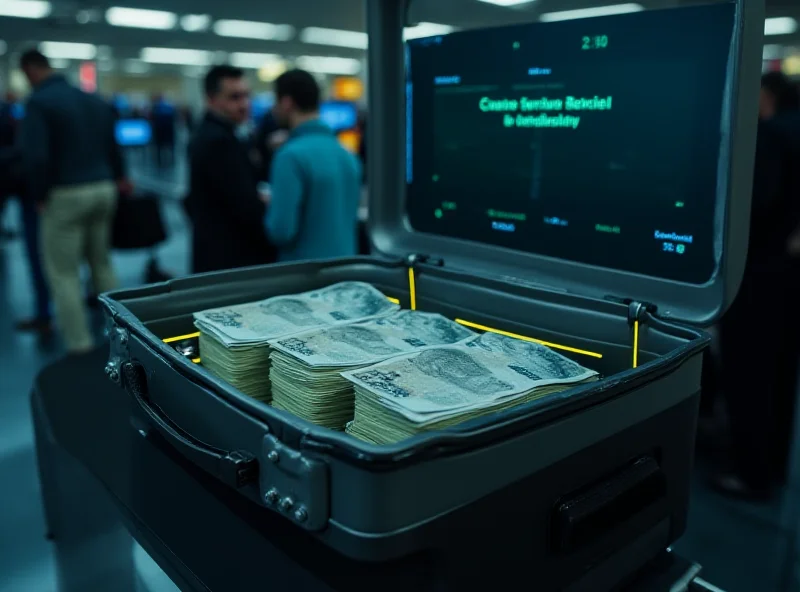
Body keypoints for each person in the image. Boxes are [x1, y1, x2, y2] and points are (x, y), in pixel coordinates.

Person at [714, 72, 800, 500]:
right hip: (789, 274)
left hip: (758, 274)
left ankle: (750, 473)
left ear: (766, 95)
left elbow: (756, 204)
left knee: (749, 375)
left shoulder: (768, 137)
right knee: (783, 375)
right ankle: (776, 466)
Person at [18, 49, 130, 354]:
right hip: (103, 189)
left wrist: (39, 195)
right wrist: (120, 177)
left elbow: (37, 157)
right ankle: (124, 336)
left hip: (66, 194)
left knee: (63, 273)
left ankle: (79, 345)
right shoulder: (93, 99)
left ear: (30, 70)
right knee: (102, 264)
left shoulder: (39, 103)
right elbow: (113, 146)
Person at [185, 65, 276, 273]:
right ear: (211, 99)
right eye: (234, 97)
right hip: (230, 260)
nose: (244, 104)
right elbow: (245, 207)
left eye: (246, 96)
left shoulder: (220, 134)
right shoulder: (218, 142)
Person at [265, 69, 362, 261]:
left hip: (302, 279)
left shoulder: (290, 157)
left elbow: (281, 231)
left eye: (275, 102)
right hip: (345, 273)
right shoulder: (348, 156)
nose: (273, 109)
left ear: (286, 102)